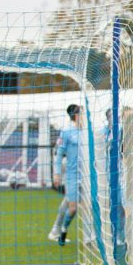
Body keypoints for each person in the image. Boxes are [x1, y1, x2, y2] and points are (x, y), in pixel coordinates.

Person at [48, 104, 82, 245]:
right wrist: (56, 174)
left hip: (87, 175)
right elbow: (58, 154)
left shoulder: (88, 131)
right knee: (72, 206)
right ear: (76, 115)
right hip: (72, 174)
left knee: (72, 203)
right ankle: (58, 229)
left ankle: (58, 230)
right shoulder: (67, 132)